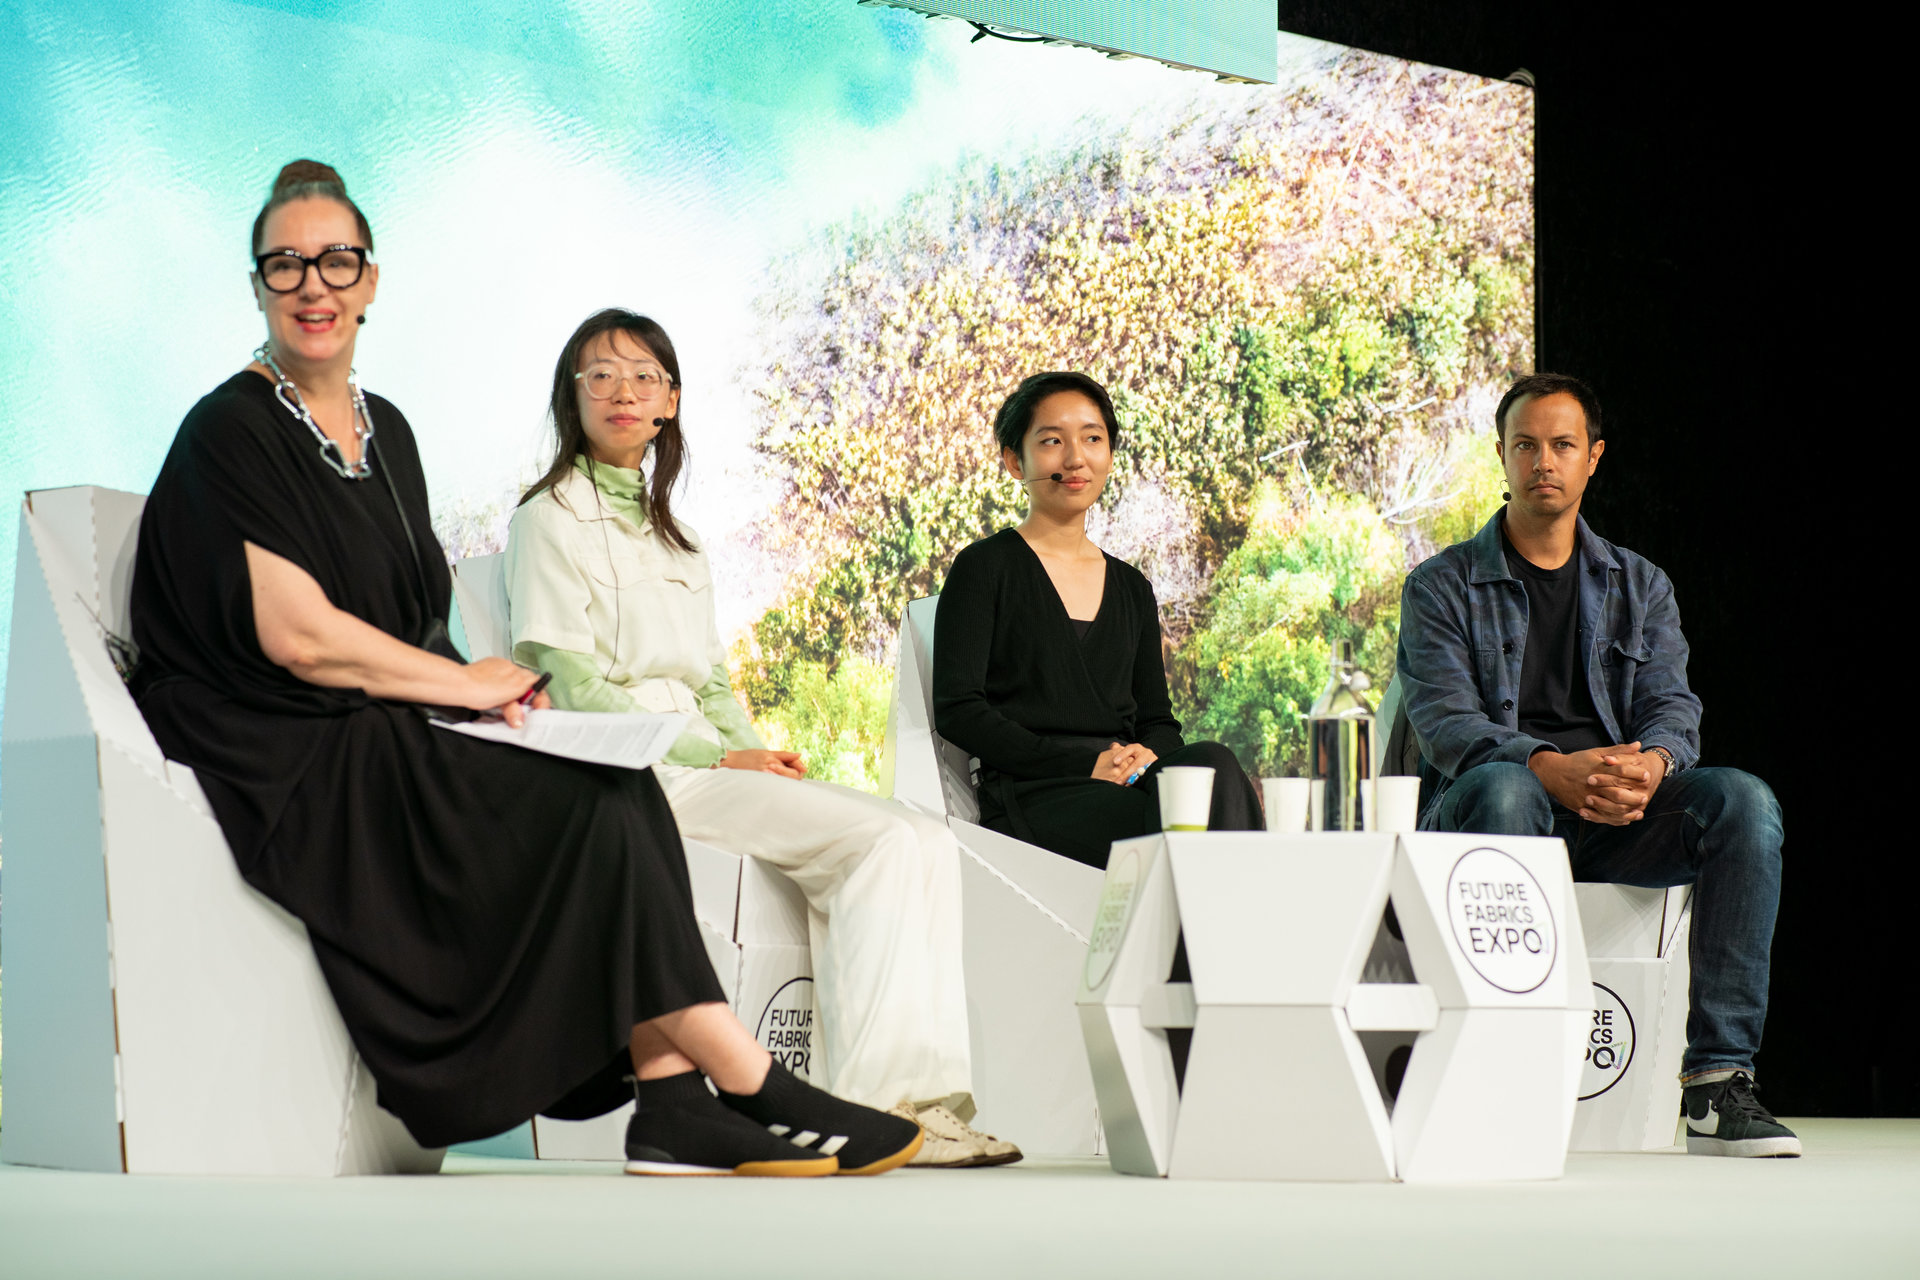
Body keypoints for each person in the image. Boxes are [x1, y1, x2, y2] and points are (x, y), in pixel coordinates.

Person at [127, 161, 921, 1178]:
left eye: (337, 261)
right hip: (284, 735)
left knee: (615, 782)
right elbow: (299, 638)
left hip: (383, 709)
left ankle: (673, 1104)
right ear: (257, 286)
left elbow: (414, 616)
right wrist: (462, 687)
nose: (313, 285)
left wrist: (492, 696)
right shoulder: (229, 427)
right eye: (286, 264)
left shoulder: (387, 429)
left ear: (371, 281)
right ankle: (746, 1074)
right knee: (579, 801)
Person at [502, 308, 1019, 1168]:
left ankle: (928, 1105)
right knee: (885, 843)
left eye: (644, 376)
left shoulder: (680, 540)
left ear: (669, 401)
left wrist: (757, 753)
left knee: (922, 836)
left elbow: (712, 682)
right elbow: (567, 681)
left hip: (705, 765)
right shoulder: (547, 518)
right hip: (636, 776)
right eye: (601, 374)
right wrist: (717, 754)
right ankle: (887, 1108)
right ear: (573, 396)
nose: (624, 391)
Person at [1395, 371, 1797, 1159]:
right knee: (1507, 787)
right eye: (1525, 445)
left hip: (1615, 818)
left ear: (1593, 457)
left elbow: (1673, 709)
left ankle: (1718, 1085)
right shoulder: (1441, 585)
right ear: (1502, 455)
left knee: (1744, 803)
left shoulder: (1640, 585)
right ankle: (1504, 1077)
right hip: (1488, 813)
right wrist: (1550, 768)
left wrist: (1652, 766)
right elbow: (1447, 727)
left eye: (1562, 445)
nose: (1543, 461)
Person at [932, 371, 1262, 869]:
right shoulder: (984, 568)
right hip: (1038, 789)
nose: (1075, 459)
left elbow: (1158, 723)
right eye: (1051, 441)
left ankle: (1227, 913)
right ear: (1014, 461)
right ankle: (1237, 915)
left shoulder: (1132, 587)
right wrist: (1086, 763)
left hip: (1129, 779)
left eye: (1092, 439)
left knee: (1212, 762)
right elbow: (959, 709)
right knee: (1170, 828)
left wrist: (1146, 754)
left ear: (1108, 454)